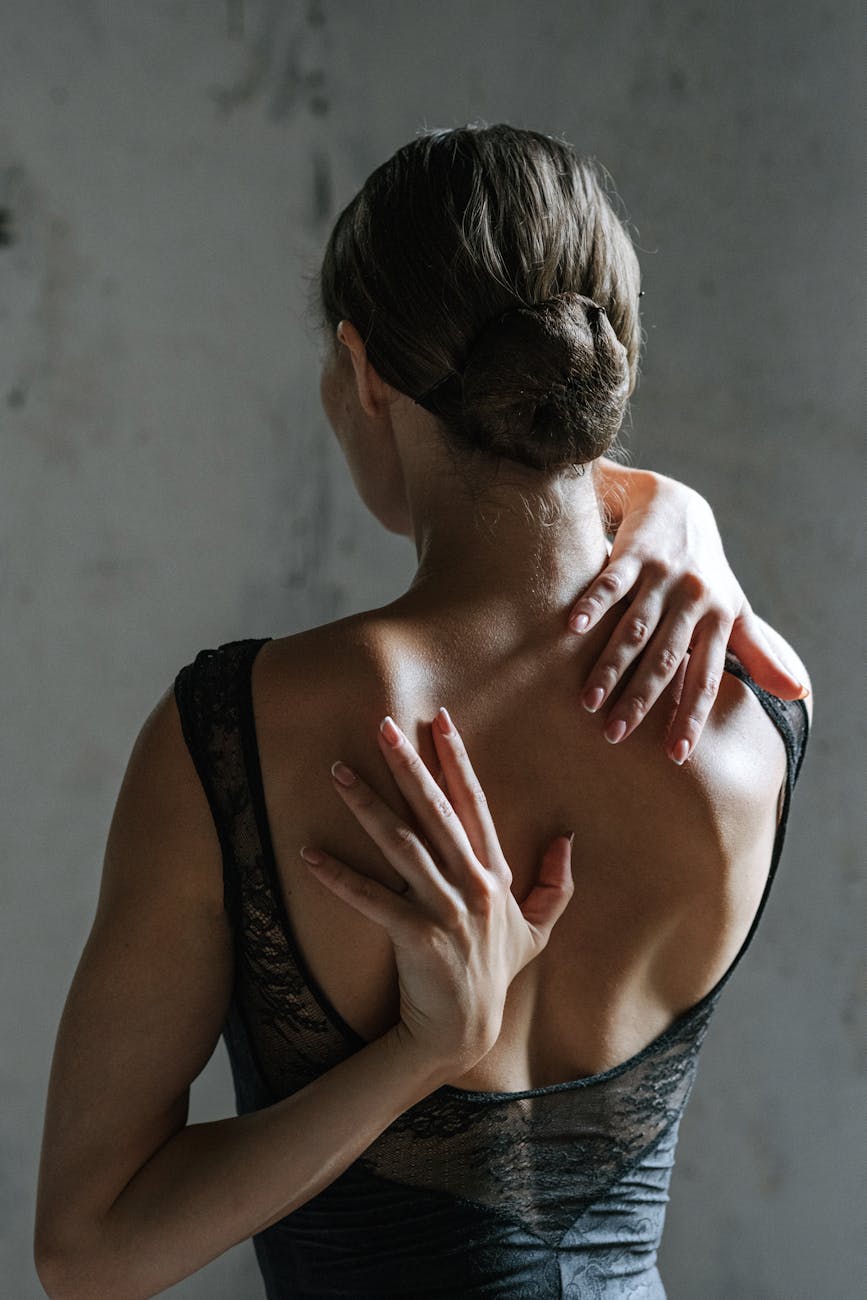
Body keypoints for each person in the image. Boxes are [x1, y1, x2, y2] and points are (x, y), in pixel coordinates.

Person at [35, 123, 812, 1299]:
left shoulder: (235, 732)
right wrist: (666, 499)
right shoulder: (757, 701)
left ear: (364, 369)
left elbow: (90, 1253)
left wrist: (425, 1054)